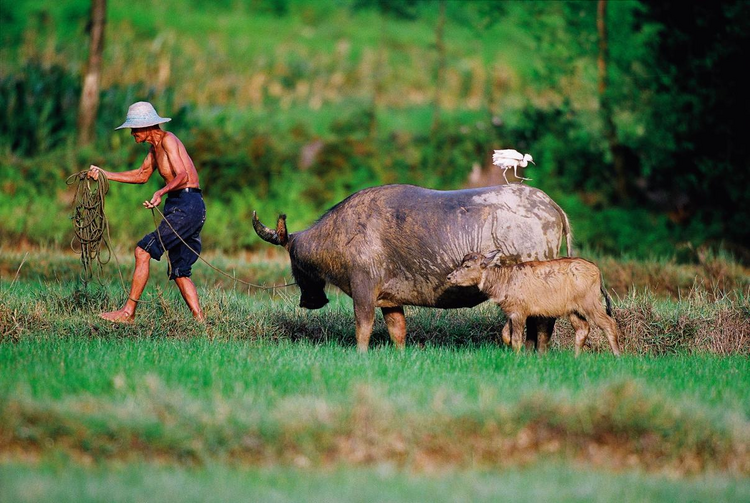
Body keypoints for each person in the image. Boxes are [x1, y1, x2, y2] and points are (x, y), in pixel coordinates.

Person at [88, 101, 206, 322]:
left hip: (188, 204)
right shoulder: (155, 149)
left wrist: (160, 192)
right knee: (179, 270)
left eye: (134, 128)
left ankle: (128, 312)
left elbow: (182, 175)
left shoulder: (169, 140)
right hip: (180, 204)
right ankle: (201, 322)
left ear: (147, 126)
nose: (132, 133)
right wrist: (105, 174)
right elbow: (141, 175)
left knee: (143, 250)